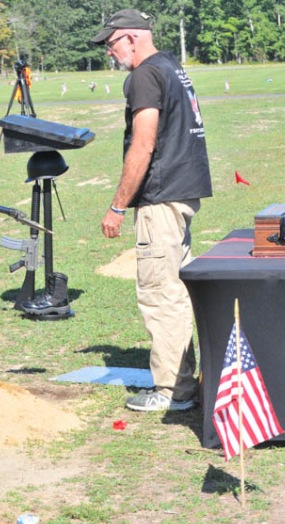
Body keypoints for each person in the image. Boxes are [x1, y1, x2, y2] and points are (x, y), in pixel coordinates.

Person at [93, 10, 213, 412]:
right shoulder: (171, 67)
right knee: (174, 291)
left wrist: (117, 206)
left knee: (160, 294)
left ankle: (173, 390)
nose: (110, 53)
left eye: (111, 43)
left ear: (131, 38)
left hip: (161, 197)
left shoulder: (144, 74)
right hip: (183, 192)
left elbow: (143, 144)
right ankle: (184, 381)